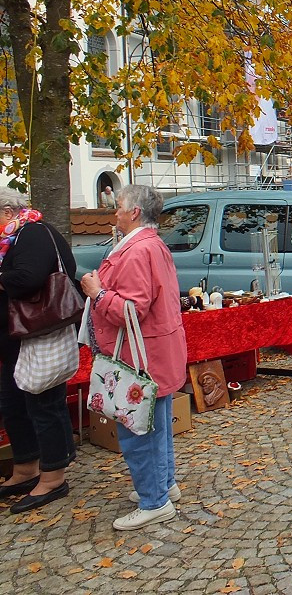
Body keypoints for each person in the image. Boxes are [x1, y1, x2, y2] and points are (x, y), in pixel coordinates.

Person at [80, 184, 188, 530]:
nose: (115, 212)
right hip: (155, 351)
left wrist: (98, 293)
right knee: (155, 426)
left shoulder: (139, 250)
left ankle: (154, 500)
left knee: (139, 428)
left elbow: (132, 309)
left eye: (119, 207)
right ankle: (163, 486)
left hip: (142, 358)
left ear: (134, 213)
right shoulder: (148, 245)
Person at [0, 191, 79, 514]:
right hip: (17, 338)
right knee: (14, 403)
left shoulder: (32, 233)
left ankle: (53, 475)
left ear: (8, 211)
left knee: (43, 404)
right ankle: (25, 468)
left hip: (39, 334)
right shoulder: (15, 237)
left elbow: (28, 278)